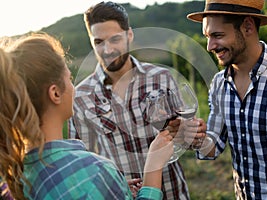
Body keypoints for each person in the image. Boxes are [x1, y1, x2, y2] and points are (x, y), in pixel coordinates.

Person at [0, 33, 173, 200]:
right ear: (55, 94)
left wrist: (112, 190)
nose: (74, 86)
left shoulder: (12, 179)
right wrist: (154, 167)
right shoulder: (96, 173)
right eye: (69, 78)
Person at [68, 1, 191, 199]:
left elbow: (185, 135)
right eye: (98, 42)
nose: (107, 50)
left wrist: (187, 130)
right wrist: (109, 184)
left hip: (173, 191)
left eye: (115, 39)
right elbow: (83, 164)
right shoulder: (80, 97)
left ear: (130, 35)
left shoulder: (161, 77)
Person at [186, 0, 267, 199]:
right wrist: (190, 134)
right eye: (207, 36)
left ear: (247, 26)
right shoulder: (219, 84)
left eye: (217, 35)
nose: (209, 46)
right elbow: (213, 146)